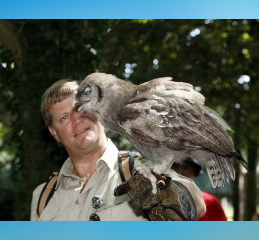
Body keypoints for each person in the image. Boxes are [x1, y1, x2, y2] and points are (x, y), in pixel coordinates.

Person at [30, 79, 205, 221]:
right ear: (54, 133)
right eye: (65, 117)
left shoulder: (142, 169)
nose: (77, 120)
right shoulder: (43, 197)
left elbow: (197, 205)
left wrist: (168, 195)